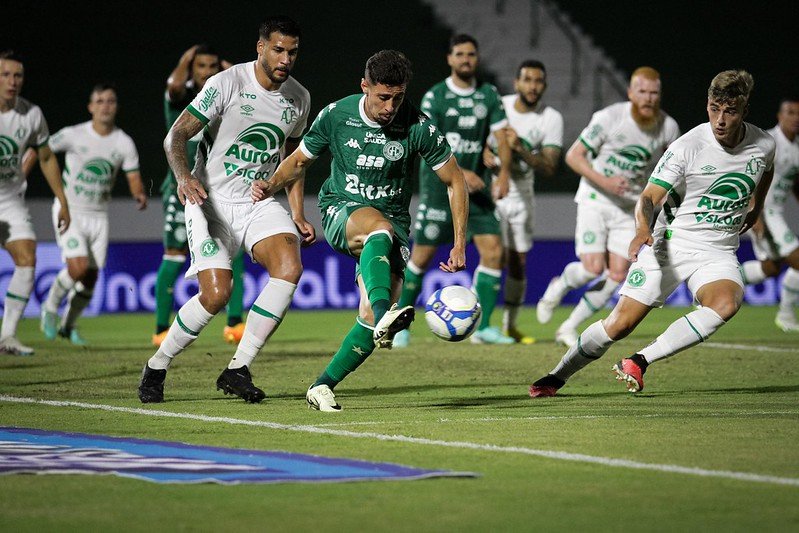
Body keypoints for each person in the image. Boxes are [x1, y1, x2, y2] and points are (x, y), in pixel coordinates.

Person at [530, 69, 775, 397]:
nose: (720, 119)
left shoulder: (763, 144)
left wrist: (756, 208)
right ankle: (557, 375)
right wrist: (642, 229)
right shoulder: (687, 146)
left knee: (726, 304)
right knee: (620, 325)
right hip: (671, 244)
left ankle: (640, 361)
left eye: (729, 111)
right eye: (714, 108)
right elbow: (648, 198)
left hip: (718, 250)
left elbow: (766, 171)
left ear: (744, 111)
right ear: (707, 105)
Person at [251, 50, 469, 412]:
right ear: (365, 86)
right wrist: (270, 184)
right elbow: (300, 160)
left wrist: (459, 243)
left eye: (398, 97)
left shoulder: (417, 125)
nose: (391, 106)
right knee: (378, 233)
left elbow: (455, 181)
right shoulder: (338, 115)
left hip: (395, 222)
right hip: (342, 207)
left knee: (369, 317)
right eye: (383, 96)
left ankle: (321, 386)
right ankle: (388, 311)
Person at [137, 16, 313, 403]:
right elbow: (176, 134)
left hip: (257, 201)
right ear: (261, 48)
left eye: (293, 52)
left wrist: (297, 213)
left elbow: (294, 162)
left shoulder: (299, 98)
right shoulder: (227, 83)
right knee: (216, 295)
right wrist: (184, 178)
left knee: (290, 268)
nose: (285, 59)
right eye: (279, 50)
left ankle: (238, 368)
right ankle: (158, 364)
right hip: (210, 201)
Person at [536, 67, 680, 348]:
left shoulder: (669, 127)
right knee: (591, 269)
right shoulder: (610, 118)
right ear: (630, 93)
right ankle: (558, 286)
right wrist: (606, 182)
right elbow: (574, 156)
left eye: (654, 93)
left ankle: (568, 326)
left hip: (630, 208)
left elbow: (673, 169)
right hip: (596, 199)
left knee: (617, 274)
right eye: (642, 92)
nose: (648, 99)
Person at [393, 34, 514, 347]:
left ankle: (484, 327)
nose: (466, 59)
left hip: (479, 190)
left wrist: (504, 174)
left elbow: (502, 136)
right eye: (460, 54)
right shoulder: (436, 96)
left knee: (493, 252)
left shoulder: (488, 95)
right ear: (450, 59)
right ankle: (402, 326)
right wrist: (463, 171)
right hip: (439, 189)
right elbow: (431, 143)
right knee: (420, 256)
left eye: (471, 54)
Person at [24, 84, 146, 345]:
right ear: (91, 107)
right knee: (77, 267)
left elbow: (133, 176)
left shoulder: (123, 142)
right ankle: (49, 306)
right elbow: (39, 148)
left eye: (111, 101)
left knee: (90, 276)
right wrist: (21, 176)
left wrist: (139, 194)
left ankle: (68, 326)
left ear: (116, 107)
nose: (105, 106)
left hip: (99, 215)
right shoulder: (74, 135)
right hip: (70, 209)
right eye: (100, 101)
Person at [153, 44, 248, 347]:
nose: (208, 72)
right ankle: (160, 328)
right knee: (174, 256)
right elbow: (173, 85)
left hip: (219, 187)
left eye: (212, 67)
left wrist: (229, 72)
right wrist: (185, 57)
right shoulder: (181, 99)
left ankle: (234, 324)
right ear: (193, 70)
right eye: (201, 66)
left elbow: (249, 90)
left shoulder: (222, 98)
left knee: (234, 252)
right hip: (181, 190)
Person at [483, 60, 563, 344]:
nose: (532, 85)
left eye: (538, 81)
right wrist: (483, 153)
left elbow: (550, 166)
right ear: (516, 83)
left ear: (544, 85)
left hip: (522, 194)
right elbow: (477, 138)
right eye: (527, 80)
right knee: (492, 255)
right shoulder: (499, 105)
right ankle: (482, 326)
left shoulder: (550, 117)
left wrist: (521, 148)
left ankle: (510, 326)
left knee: (517, 261)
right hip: (491, 191)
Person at [0, 50, 71, 356]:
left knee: (27, 259)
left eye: (18, 75)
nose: (12, 81)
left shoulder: (31, 114)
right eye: (5, 75)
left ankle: (7, 336)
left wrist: (62, 199)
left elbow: (44, 157)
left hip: (10, 198)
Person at [740, 97, 799, 331]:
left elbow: (794, 183)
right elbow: (752, 177)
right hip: (764, 212)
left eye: (798, 113)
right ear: (780, 116)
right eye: (790, 112)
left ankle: (715, 282)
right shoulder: (768, 141)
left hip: (777, 213)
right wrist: (755, 213)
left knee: (771, 268)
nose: (795, 118)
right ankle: (786, 316)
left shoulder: (796, 149)